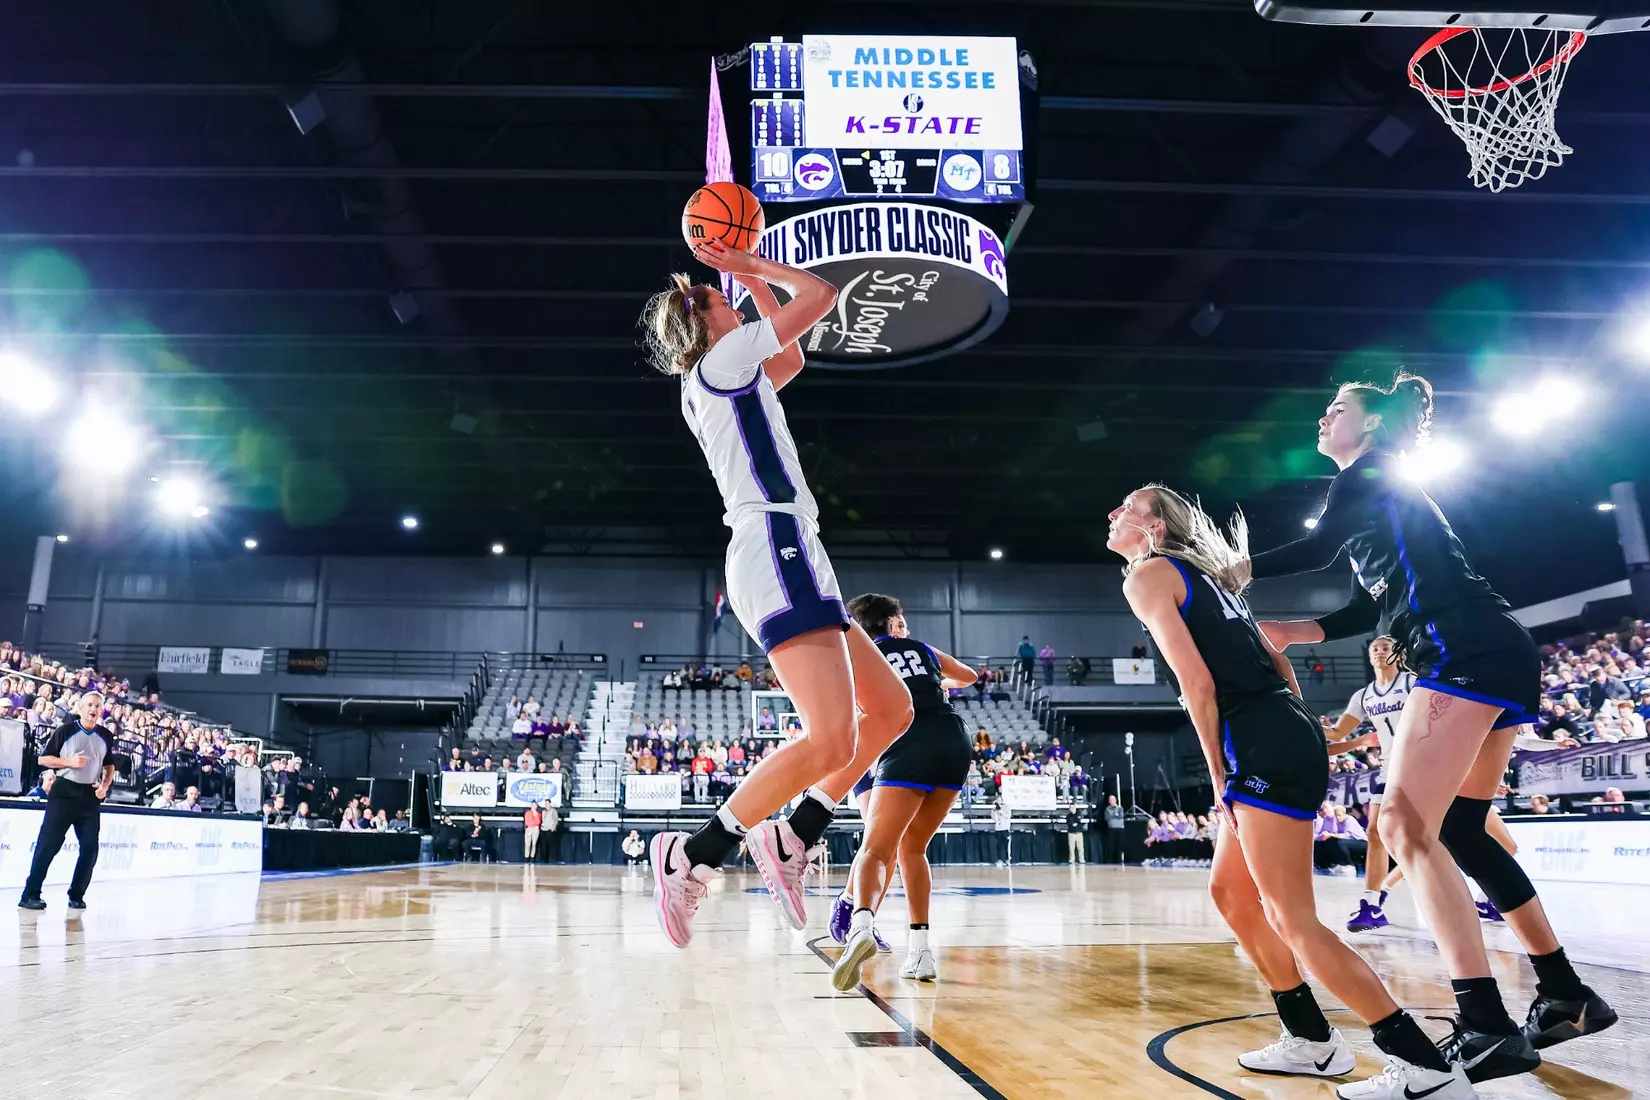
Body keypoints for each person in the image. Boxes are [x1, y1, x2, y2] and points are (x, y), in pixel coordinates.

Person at [1250, 374, 1614, 1082]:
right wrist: (1298, 629)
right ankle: (1567, 993)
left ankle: (1484, 1025)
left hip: (1461, 647)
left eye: (1338, 410)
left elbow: (1317, 548)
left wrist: (1221, 569)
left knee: (1402, 826)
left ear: (1374, 427)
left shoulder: (1372, 474)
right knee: (1461, 830)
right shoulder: (1377, 497)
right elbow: (1364, 606)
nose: (1324, 418)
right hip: (1491, 644)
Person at [1108, 484, 1472, 1099]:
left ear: (1157, 529)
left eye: (1129, 507)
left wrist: (1221, 776)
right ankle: (1310, 1038)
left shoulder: (1147, 576)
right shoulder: (1211, 581)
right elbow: (1278, 662)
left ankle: (1425, 1068)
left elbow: (1196, 685)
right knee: (1231, 894)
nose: (1115, 514)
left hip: (1257, 739)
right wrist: (1293, 730)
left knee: (1293, 919)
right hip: (1280, 729)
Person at [638, 241, 912, 948]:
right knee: (830, 737)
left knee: (889, 709)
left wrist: (753, 288)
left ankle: (795, 834)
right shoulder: (719, 362)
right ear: (703, 322)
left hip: (791, 548)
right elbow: (819, 298)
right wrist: (757, 266)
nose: (731, 296)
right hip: (774, 545)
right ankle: (693, 853)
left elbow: (791, 359)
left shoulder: (730, 373)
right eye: (720, 296)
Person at [827, 593, 978, 989]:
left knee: (877, 849)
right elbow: (969, 676)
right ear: (893, 622)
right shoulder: (922, 648)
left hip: (907, 743)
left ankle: (860, 926)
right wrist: (929, 680)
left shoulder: (862, 658)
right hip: (954, 738)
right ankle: (921, 952)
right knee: (914, 849)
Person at [1323, 636, 1414, 931]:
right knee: (1375, 832)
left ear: (1397, 653)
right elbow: (1337, 734)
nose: (1378, 652)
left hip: (1419, 766)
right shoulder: (1364, 696)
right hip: (1388, 769)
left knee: (1429, 840)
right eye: (1374, 649)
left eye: (1385, 647)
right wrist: (1301, 721)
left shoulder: (1412, 683)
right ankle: (1372, 904)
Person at [18, 692, 116, 912]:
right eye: (89, 704)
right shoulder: (65, 731)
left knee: (90, 848)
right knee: (48, 845)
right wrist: (68, 762)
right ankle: (30, 894)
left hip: (90, 797)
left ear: (101, 710)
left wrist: (105, 786)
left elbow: (110, 764)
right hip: (63, 792)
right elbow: (43, 759)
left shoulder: (106, 735)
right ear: (80, 708)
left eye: (98, 706)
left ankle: (76, 894)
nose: (93, 709)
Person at [1102, 794, 1125, 864]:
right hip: (1111, 830)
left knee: (1119, 846)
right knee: (1111, 846)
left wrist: (1113, 815)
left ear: (1115, 800)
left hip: (1120, 829)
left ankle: (1119, 861)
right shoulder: (1107, 809)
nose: (1112, 801)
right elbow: (1107, 818)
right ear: (1109, 801)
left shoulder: (1120, 808)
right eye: (1110, 800)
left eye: (1113, 800)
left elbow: (1121, 816)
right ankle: (1110, 862)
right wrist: (1115, 814)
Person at [1065, 801, 1087, 865]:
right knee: (1071, 848)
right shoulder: (1068, 816)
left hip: (1079, 833)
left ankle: (1081, 859)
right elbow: (1070, 823)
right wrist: (1075, 822)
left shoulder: (1079, 813)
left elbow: (1078, 820)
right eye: (1071, 808)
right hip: (1071, 833)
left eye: (1073, 807)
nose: (1072, 809)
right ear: (1069, 809)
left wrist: (1075, 822)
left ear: (1075, 808)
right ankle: (1072, 859)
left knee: (1080, 848)